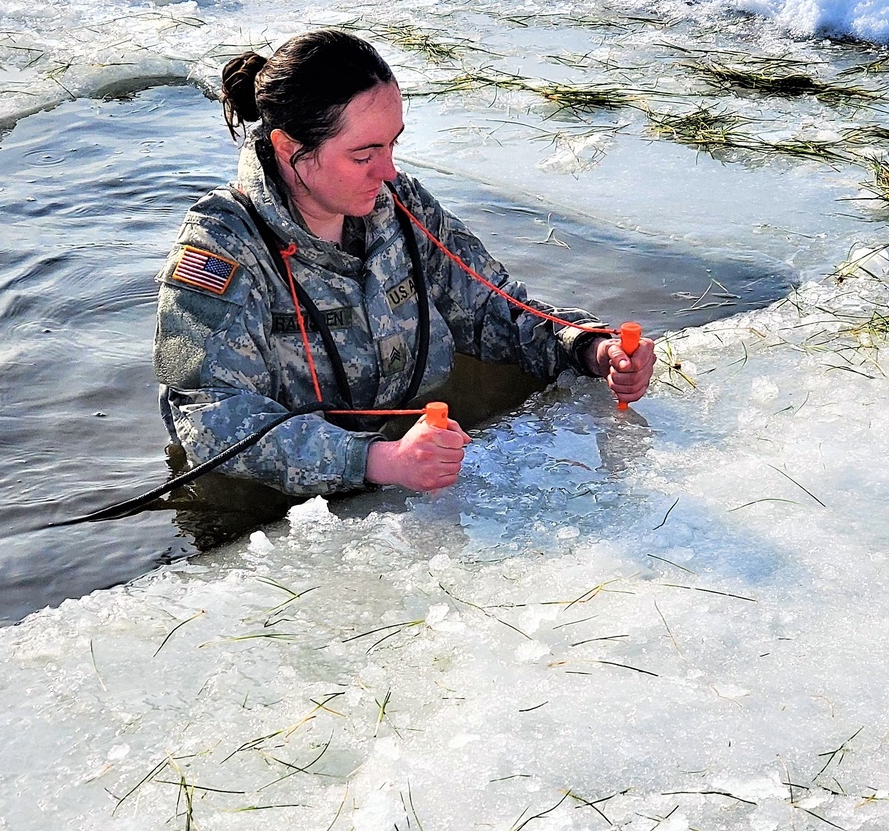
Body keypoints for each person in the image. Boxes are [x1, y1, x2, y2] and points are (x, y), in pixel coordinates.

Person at [154, 31, 655, 499]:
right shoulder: (221, 246)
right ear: (289, 148)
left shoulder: (400, 202)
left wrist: (589, 347)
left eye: (393, 143)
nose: (389, 170)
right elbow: (208, 419)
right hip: (284, 505)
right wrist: (379, 460)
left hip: (415, 450)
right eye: (364, 153)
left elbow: (489, 305)